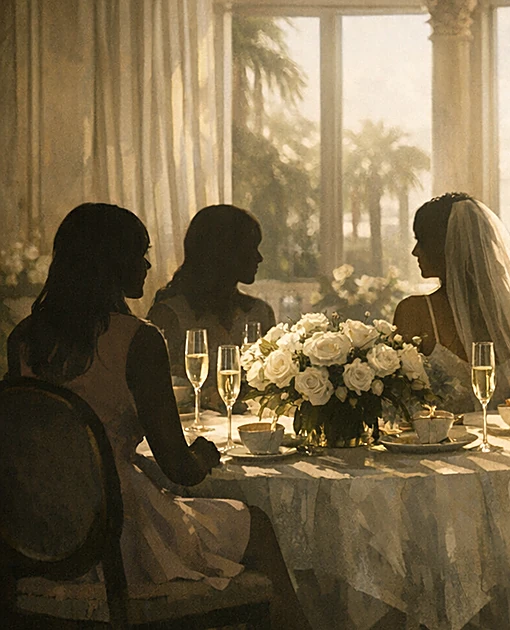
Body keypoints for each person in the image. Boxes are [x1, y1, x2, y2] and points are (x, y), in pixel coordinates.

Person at [6, 203, 309, 628]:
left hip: (39, 536)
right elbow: (181, 470)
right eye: (139, 253)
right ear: (110, 262)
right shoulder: (138, 341)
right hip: (116, 536)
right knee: (255, 524)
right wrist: (204, 453)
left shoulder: (24, 337)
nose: (148, 264)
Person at [393, 193, 510, 414]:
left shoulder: (414, 313)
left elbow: (400, 405)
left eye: (421, 240)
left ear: (445, 246)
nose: (415, 251)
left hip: (440, 446)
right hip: (507, 443)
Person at [147, 205, 274, 409]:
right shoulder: (170, 315)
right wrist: (207, 398)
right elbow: (155, 394)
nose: (259, 257)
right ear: (223, 252)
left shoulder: (259, 314)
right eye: (251, 247)